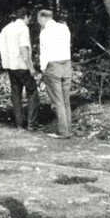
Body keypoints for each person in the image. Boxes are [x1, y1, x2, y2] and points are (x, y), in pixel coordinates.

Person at [0, 7, 39, 131]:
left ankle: (19, 124)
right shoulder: (23, 28)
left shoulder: (7, 28)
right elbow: (24, 48)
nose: (30, 20)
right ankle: (31, 124)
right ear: (25, 16)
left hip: (10, 66)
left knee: (16, 94)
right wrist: (31, 67)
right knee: (32, 92)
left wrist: (6, 53)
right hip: (22, 66)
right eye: (29, 18)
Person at [37, 9, 72, 139]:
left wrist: (42, 68)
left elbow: (44, 51)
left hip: (53, 66)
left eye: (39, 20)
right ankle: (68, 128)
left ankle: (63, 132)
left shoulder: (45, 32)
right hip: (67, 65)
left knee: (58, 101)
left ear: (42, 19)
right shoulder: (64, 28)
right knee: (66, 100)